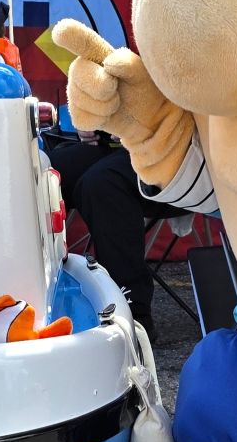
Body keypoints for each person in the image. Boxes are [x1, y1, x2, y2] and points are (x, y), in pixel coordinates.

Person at [47, 134, 186, 341]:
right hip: (120, 146)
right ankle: (36, 300)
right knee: (44, 170)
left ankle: (132, 315)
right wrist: (90, 126)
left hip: (179, 151)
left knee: (103, 183)